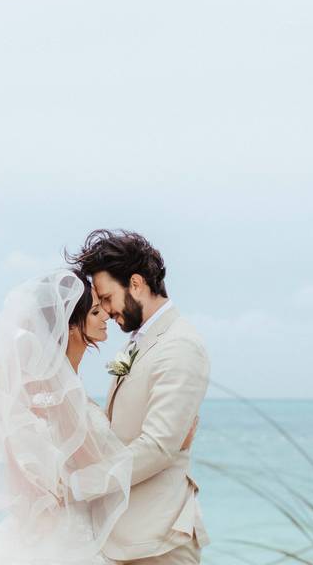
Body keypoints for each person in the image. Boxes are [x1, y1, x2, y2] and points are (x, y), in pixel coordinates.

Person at [0, 269, 196, 565]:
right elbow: (100, 466)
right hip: (65, 538)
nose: (106, 318)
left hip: (63, 530)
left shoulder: (59, 387)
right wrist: (171, 443)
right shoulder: (57, 396)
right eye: (96, 312)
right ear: (72, 325)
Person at [68, 230, 210, 565]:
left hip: (157, 543)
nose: (103, 309)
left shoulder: (180, 346)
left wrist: (78, 486)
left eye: (106, 297)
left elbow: (158, 447)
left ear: (135, 283)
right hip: (124, 536)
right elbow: (118, 430)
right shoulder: (138, 342)